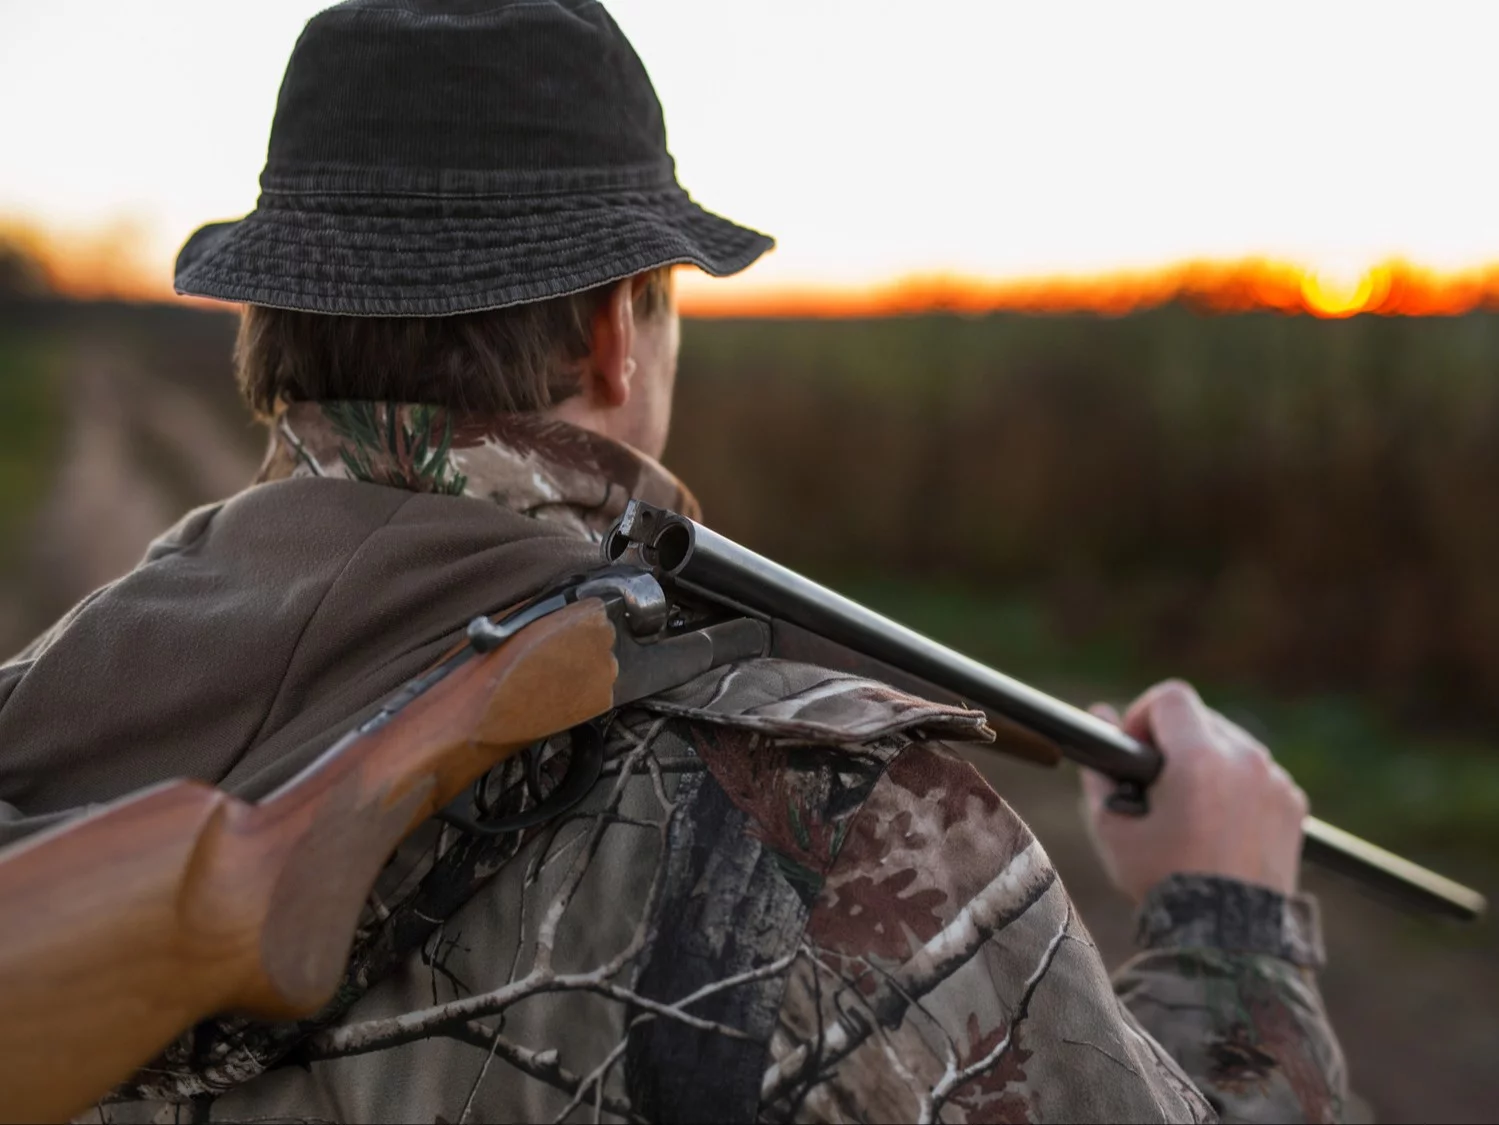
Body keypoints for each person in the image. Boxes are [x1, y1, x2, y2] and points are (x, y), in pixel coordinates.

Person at [0, 2, 1346, 1121]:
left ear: (265, 325)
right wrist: (1229, 917)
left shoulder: (40, 713)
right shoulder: (830, 817)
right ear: (611, 334)